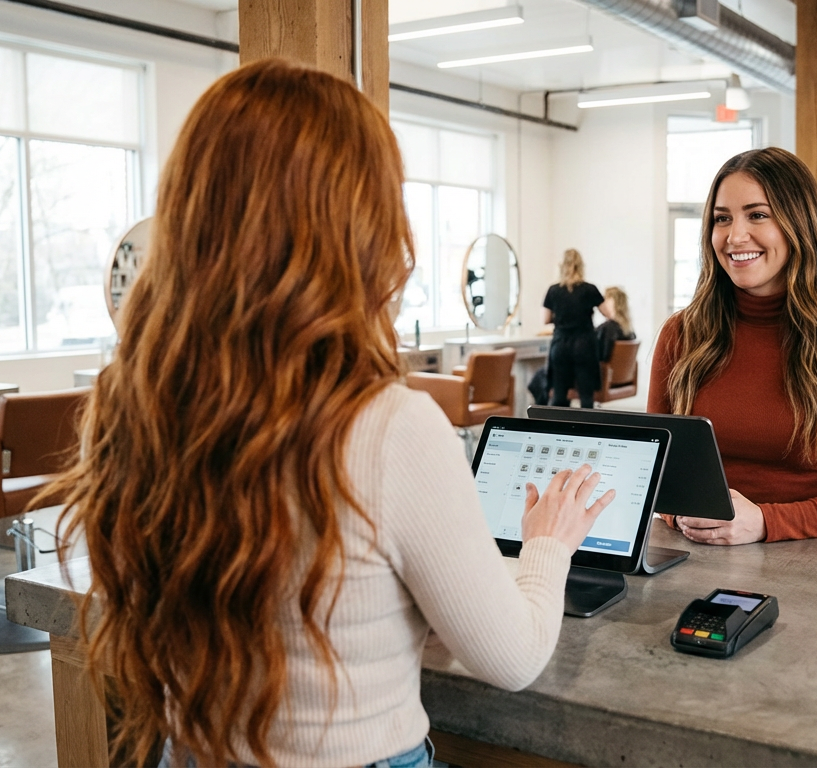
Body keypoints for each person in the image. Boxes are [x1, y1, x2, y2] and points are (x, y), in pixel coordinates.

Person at [42, 59, 615, 768]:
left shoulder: (132, 406)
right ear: (357, 228)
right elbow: (514, 657)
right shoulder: (390, 428)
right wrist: (549, 542)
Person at [648, 147, 817, 546]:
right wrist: (678, 513)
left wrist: (765, 522)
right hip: (694, 558)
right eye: (722, 219)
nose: (734, 236)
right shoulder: (681, 335)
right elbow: (656, 470)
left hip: (810, 564)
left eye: (757, 215)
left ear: (799, 224)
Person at [543, 249, 605, 408]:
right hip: (584, 346)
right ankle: (586, 430)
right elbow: (608, 313)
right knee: (586, 396)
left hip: (560, 345)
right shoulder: (590, 289)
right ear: (580, 266)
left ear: (562, 266)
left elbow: (545, 319)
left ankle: (560, 429)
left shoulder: (553, 290)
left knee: (559, 396)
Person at [596, 286, 636, 364]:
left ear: (611, 302)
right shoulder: (629, 330)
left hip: (605, 373)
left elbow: (603, 356)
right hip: (622, 375)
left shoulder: (608, 328)